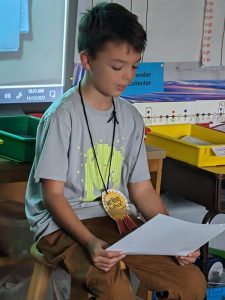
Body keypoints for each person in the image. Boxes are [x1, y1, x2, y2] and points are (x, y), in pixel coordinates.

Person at [25, 2, 206, 299]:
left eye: (134, 66)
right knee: (112, 287)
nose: (128, 76)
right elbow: (53, 195)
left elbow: (143, 191)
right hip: (63, 226)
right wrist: (90, 242)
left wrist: (176, 240)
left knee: (191, 282)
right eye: (117, 67)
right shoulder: (62, 117)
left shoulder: (130, 117)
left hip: (117, 220)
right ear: (87, 60)